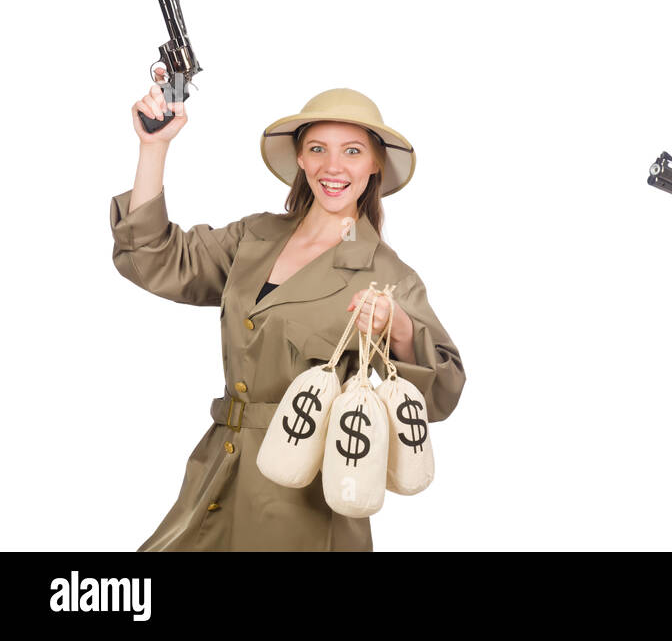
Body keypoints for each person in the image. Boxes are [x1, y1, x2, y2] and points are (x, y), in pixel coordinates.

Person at [110, 71, 466, 550]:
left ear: (375, 165)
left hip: (303, 498)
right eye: (318, 148)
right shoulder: (255, 237)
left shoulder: (387, 274)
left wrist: (398, 328)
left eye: (353, 151)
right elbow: (153, 257)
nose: (332, 166)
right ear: (300, 157)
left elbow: (442, 392)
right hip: (219, 470)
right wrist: (154, 146)